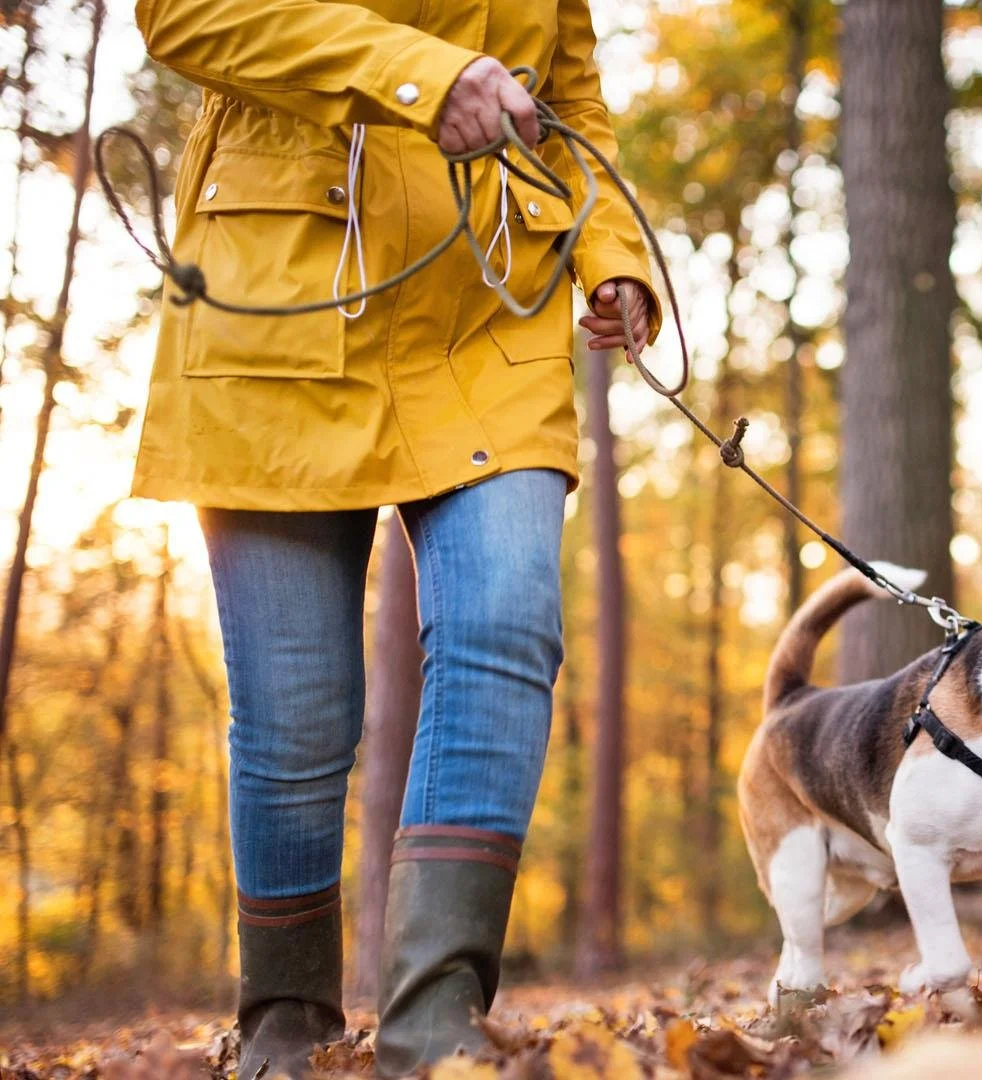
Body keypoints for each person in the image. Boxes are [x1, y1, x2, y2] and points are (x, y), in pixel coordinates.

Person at [129, 1, 657, 1075]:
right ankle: (285, 1026)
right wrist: (421, 76)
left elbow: (569, 95)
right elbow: (183, 14)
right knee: (297, 713)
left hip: (490, 302)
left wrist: (613, 251)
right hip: (279, 293)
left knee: (505, 625)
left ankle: (436, 1029)